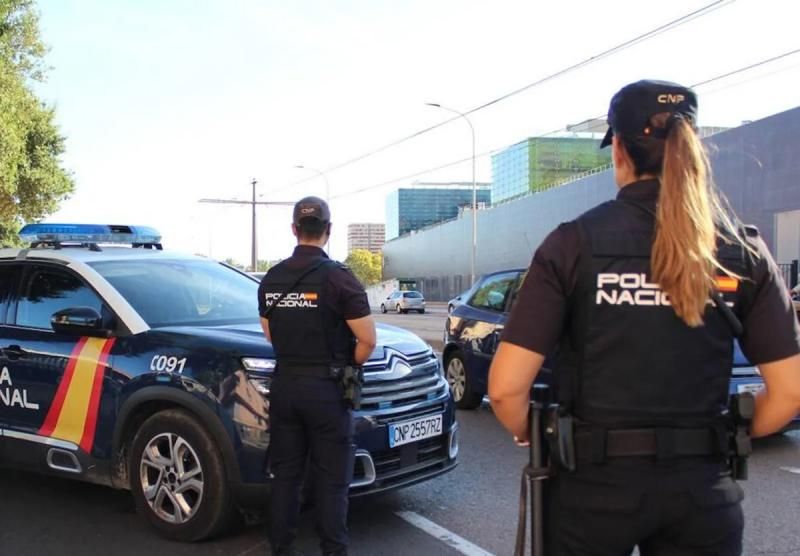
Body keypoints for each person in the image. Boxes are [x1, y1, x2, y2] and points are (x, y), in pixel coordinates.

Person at [488, 80, 800, 555]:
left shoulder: (573, 243)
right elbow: (790, 391)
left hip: (591, 494)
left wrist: (531, 431)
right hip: (701, 495)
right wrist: (721, 434)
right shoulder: (743, 250)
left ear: (619, 149)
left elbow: (506, 389)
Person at [258, 196, 376, 556]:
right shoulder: (341, 279)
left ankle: (281, 549)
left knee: (286, 478)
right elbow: (368, 340)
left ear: (295, 230)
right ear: (328, 230)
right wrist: (346, 365)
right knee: (332, 482)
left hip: (286, 386)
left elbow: (270, 334)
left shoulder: (272, 278)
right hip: (326, 390)